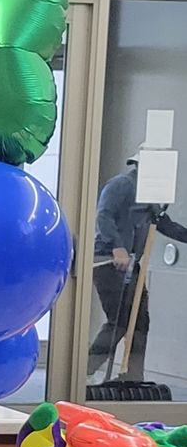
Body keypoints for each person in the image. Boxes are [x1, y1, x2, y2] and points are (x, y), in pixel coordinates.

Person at [88, 158, 187, 382]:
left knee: (141, 322)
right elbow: (103, 215)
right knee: (120, 320)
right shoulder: (122, 185)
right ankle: (84, 370)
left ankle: (132, 377)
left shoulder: (150, 196)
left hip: (133, 266)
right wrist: (117, 247)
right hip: (109, 262)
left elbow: (164, 225)